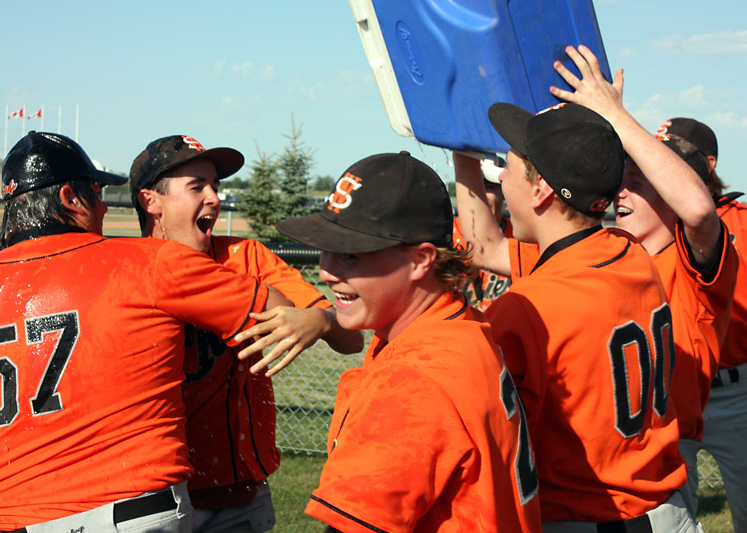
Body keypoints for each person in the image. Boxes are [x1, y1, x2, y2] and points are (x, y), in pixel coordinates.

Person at [0, 131, 290, 532]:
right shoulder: (146, 262)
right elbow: (277, 309)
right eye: (96, 193)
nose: (105, 207)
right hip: (130, 507)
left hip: (0, 516)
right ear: (70, 199)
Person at [454, 101, 695, 530]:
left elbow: (495, 442)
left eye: (508, 167)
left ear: (542, 191)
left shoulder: (526, 307)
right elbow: (492, 250)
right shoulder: (629, 252)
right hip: (669, 512)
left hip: (589, 516)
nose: (501, 178)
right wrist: (461, 158)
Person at [275, 151, 542, 532]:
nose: (326, 271)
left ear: (420, 260)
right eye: (325, 249)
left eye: (350, 254)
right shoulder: (461, 323)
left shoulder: (412, 380)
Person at [129, 135, 364, 533]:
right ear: (151, 202)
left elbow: (351, 339)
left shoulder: (246, 258)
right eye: (197, 187)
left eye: (215, 186)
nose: (214, 198)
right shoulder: (124, 273)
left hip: (237, 496)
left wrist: (322, 321)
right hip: (150, 495)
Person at [550, 45, 738, 523]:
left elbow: (699, 211)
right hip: (617, 444)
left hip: (689, 426)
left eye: (639, 180)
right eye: (622, 179)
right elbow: (489, 248)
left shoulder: (694, 257)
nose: (622, 191)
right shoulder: (607, 250)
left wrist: (616, 114)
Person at [659, 116, 747, 530]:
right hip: (674, 395)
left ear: (707, 164)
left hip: (736, 392)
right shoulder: (651, 226)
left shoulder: (738, 220)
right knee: (675, 515)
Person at [452, 158, 515, 311]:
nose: (480, 195)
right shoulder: (446, 235)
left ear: (504, 191)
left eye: (488, 187)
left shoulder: (520, 237)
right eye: (473, 187)